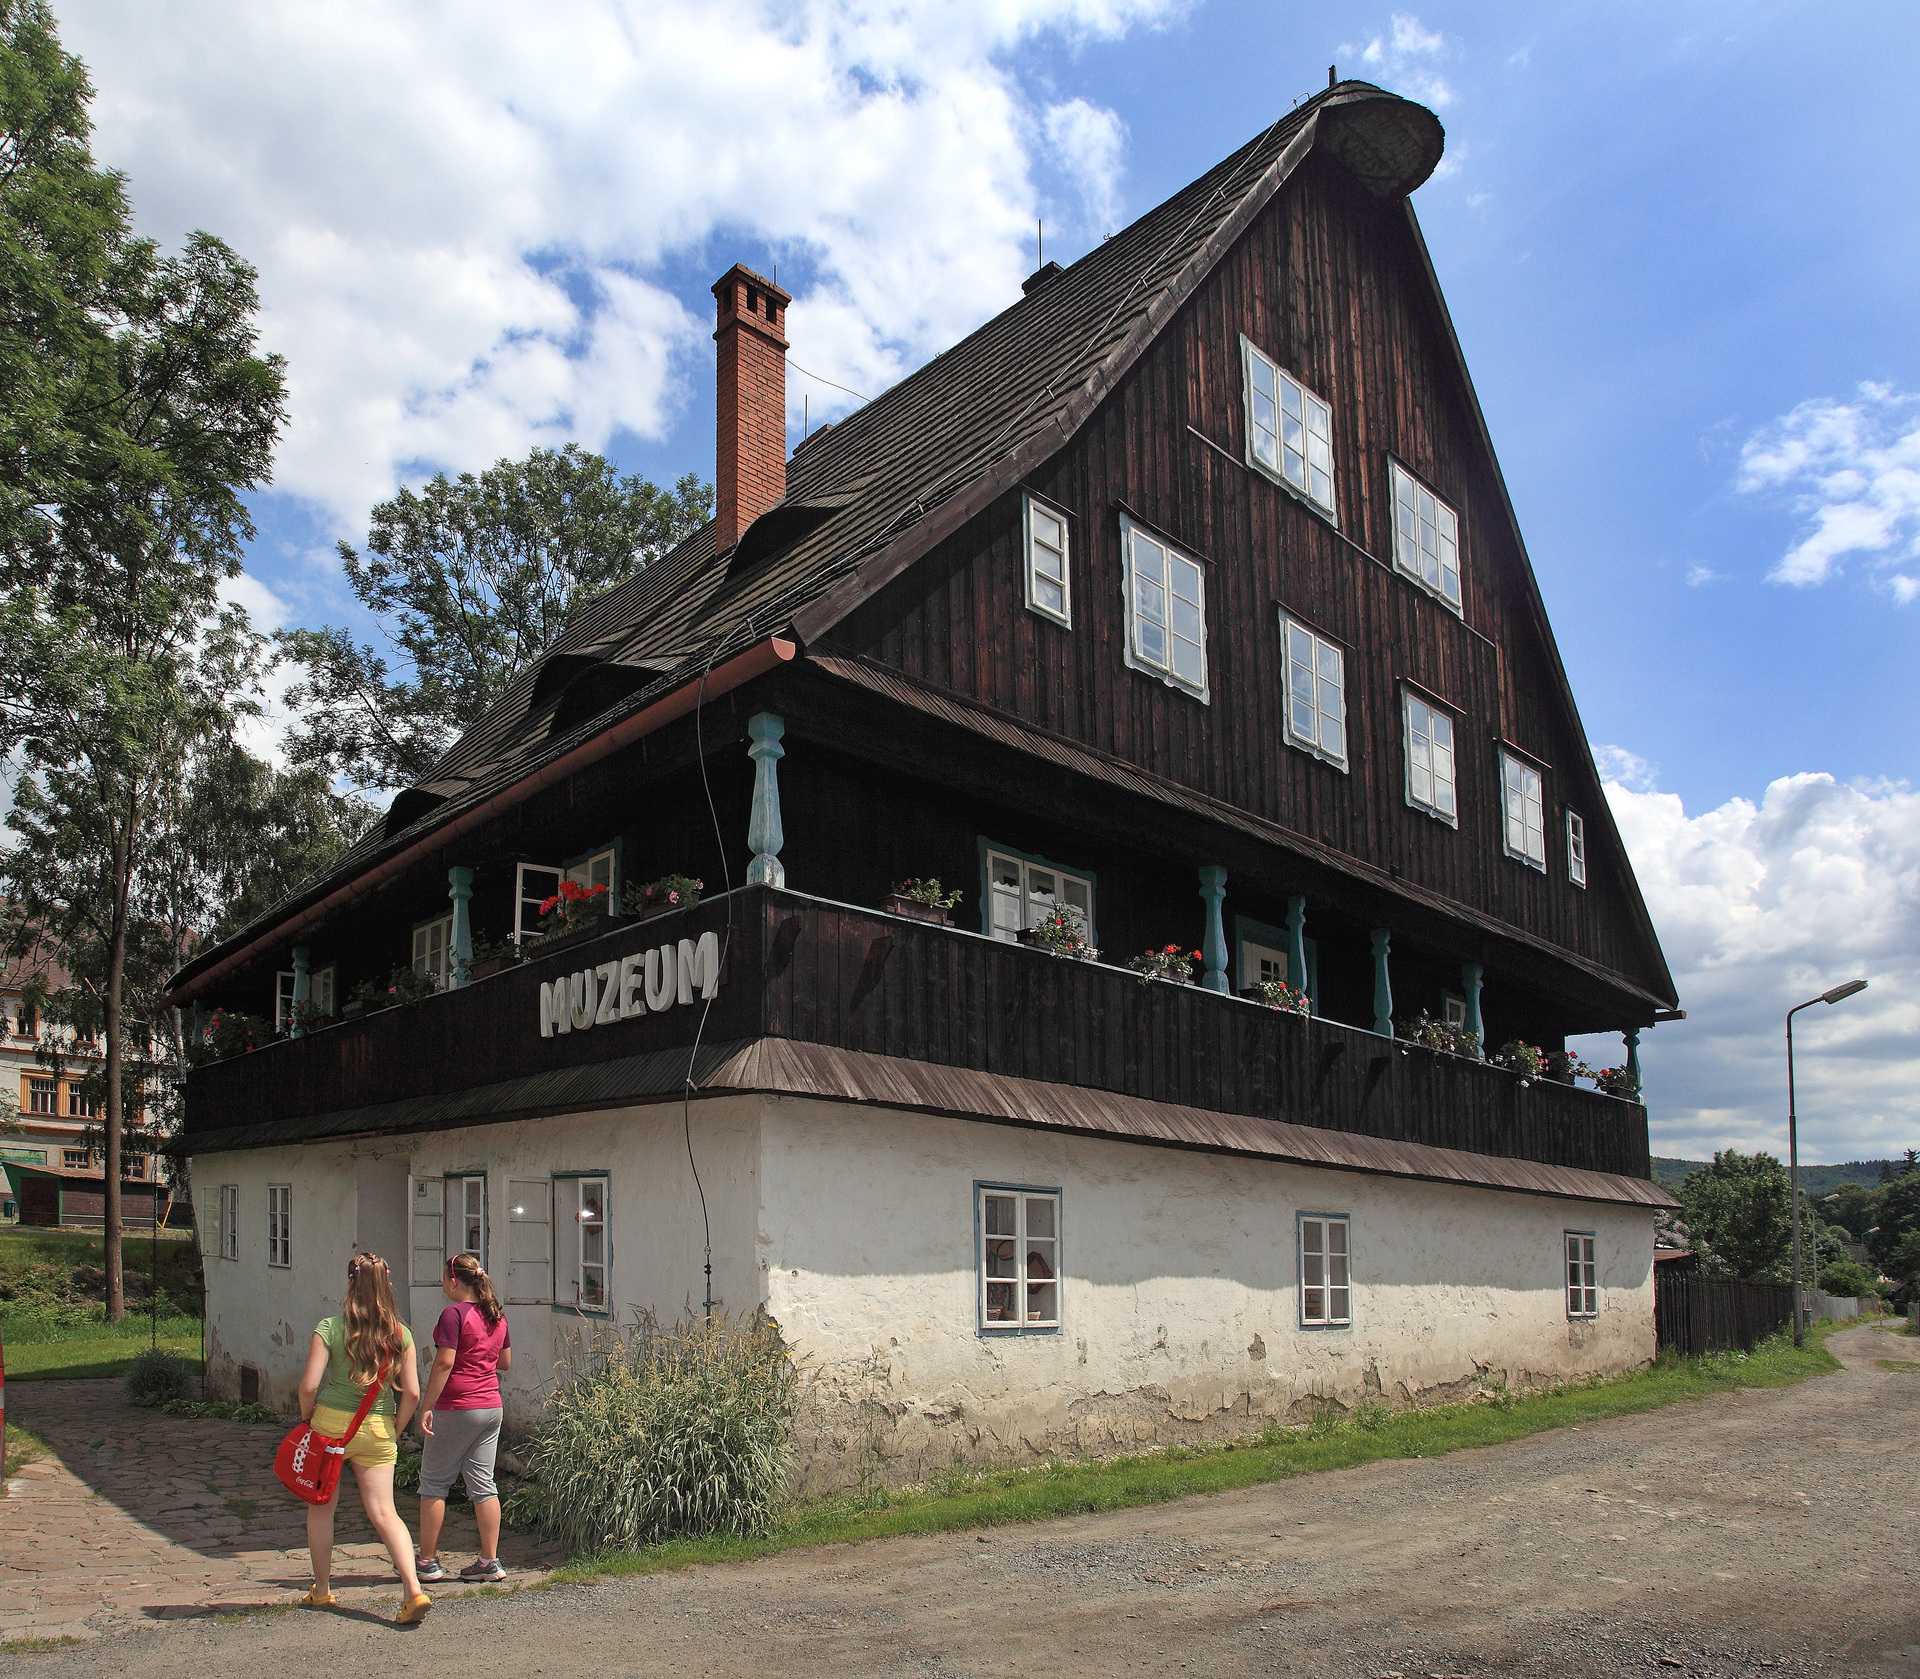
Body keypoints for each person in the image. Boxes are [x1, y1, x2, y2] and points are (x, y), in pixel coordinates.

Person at [295, 1251, 432, 1623]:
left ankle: (322, 1591)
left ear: (350, 1282)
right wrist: (395, 1429)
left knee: (322, 1507)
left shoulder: (329, 1328)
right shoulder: (401, 1335)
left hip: (329, 1428)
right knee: (385, 1511)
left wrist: (308, 1419)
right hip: (377, 1428)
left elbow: (309, 1386)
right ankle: (413, 1591)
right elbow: (414, 1394)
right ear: (387, 1284)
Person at [415, 1252, 512, 1584]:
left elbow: (443, 1363)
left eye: (444, 1279)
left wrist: (426, 1406)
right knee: (484, 1485)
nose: (444, 1285)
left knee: (434, 1484)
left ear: (454, 1281)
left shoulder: (453, 1315)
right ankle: (489, 1561)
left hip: (457, 1405)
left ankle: (427, 1561)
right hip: (491, 1407)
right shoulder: (496, 1315)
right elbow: (505, 1362)